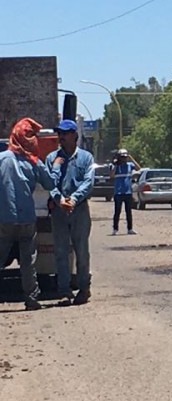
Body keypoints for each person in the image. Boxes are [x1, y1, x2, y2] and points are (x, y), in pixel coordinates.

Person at [0, 118, 63, 310]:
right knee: (28, 261)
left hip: (4, 218)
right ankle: (31, 298)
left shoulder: (2, 159)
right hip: (27, 218)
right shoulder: (34, 162)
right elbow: (50, 184)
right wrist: (57, 164)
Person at [46, 119, 95, 305]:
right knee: (60, 250)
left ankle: (83, 287)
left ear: (74, 135)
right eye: (59, 133)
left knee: (81, 250)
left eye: (65, 133)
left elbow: (88, 182)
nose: (61, 137)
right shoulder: (52, 159)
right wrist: (60, 200)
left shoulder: (86, 158)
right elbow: (49, 182)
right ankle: (64, 291)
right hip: (59, 210)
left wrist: (73, 199)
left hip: (79, 208)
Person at [109, 148, 140, 235]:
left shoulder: (130, 165)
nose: (124, 159)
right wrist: (115, 164)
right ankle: (115, 229)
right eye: (122, 157)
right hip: (118, 193)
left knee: (128, 211)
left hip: (128, 192)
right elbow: (111, 175)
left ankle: (130, 229)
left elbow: (139, 168)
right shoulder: (114, 166)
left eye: (125, 157)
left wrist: (131, 158)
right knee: (117, 212)